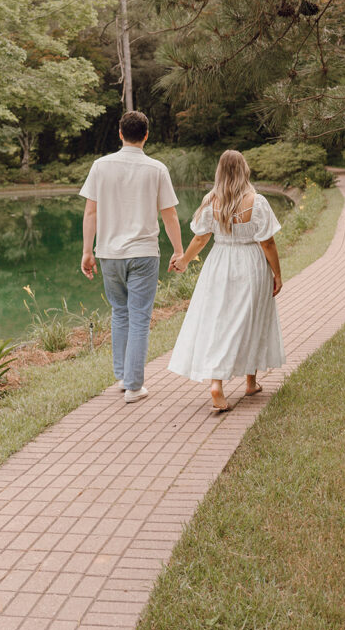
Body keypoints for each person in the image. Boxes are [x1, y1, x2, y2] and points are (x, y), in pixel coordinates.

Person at [169, 149, 285, 412]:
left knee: (222, 320)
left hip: (219, 264)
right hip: (251, 265)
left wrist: (184, 261)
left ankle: (229, 383)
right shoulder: (257, 201)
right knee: (251, 317)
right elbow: (267, 242)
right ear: (244, 169)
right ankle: (241, 382)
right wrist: (277, 273)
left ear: (219, 171)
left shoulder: (211, 201)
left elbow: (201, 238)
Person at [80, 111, 183, 403]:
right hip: (143, 253)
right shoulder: (157, 169)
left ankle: (124, 378)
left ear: (120, 133)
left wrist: (88, 251)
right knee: (139, 317)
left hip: (109, 254)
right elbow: (169, 214)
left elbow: (91, 211)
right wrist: (178, 251)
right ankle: (135, 386)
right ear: (147, 135)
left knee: (120, 312)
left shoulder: (100, 166)